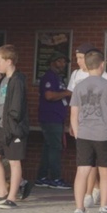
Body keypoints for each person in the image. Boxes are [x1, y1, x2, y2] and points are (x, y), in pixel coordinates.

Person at [70, 47, 107, 213]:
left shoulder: (79, 86)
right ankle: (104, 208)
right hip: (104, 134)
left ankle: (79, 209)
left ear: (86, 65)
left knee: (82, 171)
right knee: (105, 171)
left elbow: (74, 113)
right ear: (102, 65)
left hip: (85, 134)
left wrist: (78, 132)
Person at [0, 44, 27, 210]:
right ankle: (2, 191)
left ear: (9, 61)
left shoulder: (17, 80)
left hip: (13, 127)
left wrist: (12, 124)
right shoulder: (2, 81)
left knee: (14, 161)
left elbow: (16, 107)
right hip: (0, 125)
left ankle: (12, 196)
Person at [36, 53, 72, 189]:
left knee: (48, 148)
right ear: (52, 62)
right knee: (55, 148)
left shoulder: (59, 78)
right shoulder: (49, 76)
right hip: (50, 118)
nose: (63, 64)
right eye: (60, 61)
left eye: (64, 61)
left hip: (58, 117)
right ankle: (56, 178)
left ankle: (42, 177)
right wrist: (68, 93)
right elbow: (49, 95)